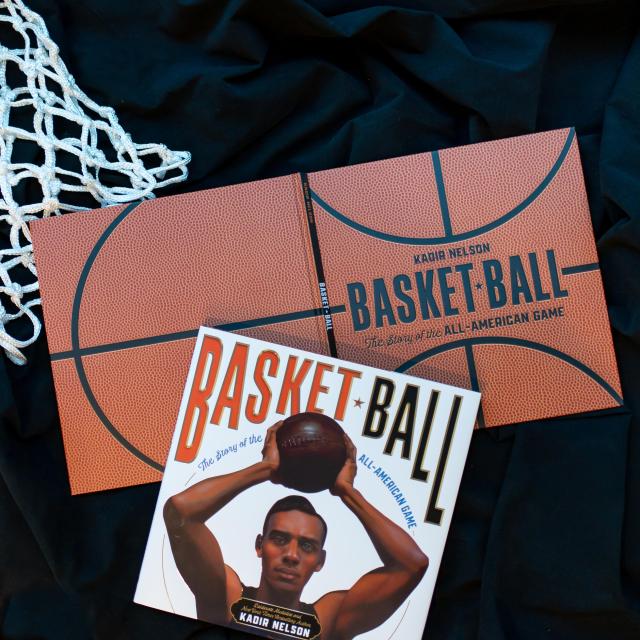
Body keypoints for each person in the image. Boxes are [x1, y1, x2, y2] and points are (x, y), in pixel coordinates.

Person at [163, 421, 429, 639]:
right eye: (280, 539)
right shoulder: (227, 597)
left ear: (320, 560)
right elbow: (181, 511)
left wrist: (348, 492)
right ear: (259, 546)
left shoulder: (327, 620)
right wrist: (264, 469)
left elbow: (412, 564)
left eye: (306, 545)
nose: (291, 555)